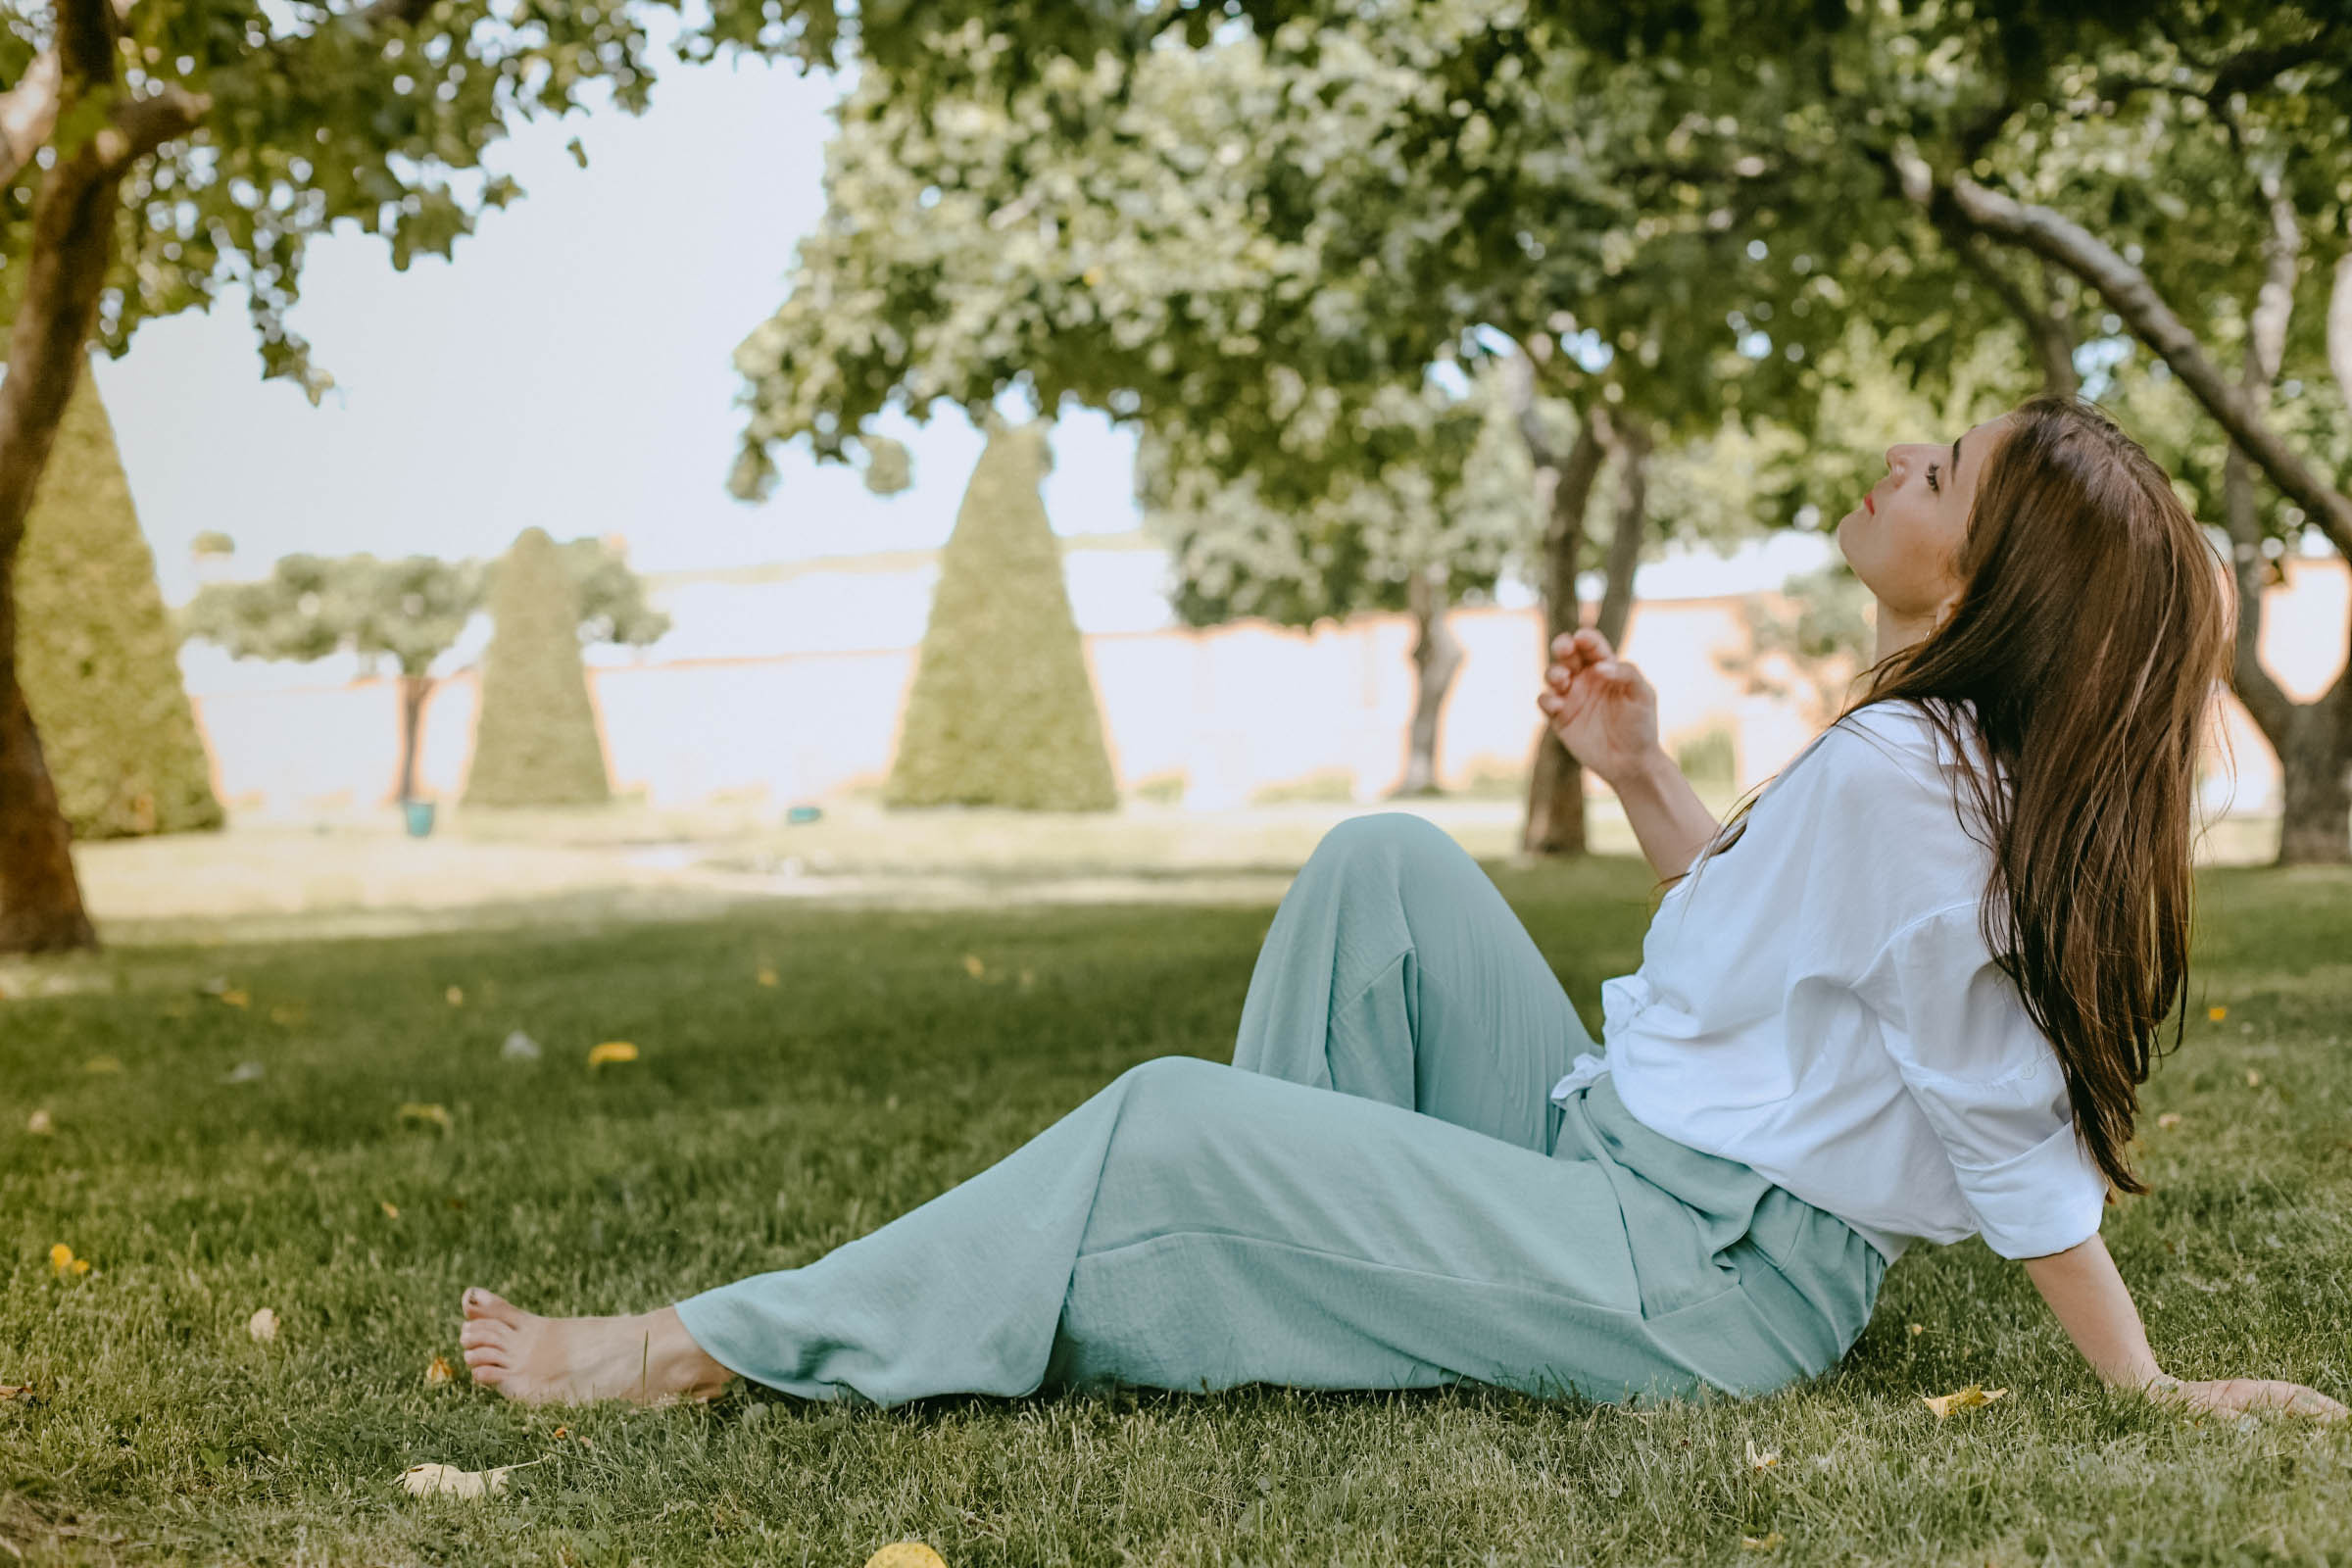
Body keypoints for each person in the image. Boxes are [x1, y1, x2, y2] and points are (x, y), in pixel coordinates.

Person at [457, 393, 2343, 1420]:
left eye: (1941, 470)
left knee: (1167, 1127)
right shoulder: (1907, 760)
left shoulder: (1910, 777)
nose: (1897, 458)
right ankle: (1300, 1272)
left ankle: (691, 1346)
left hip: (1700, 1279)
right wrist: (1636, 774)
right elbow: (1781, 957)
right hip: (1640, 1170)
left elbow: (1992, 1100)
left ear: (1985, 571)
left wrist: (2149, 1385)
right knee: (1388, 869)